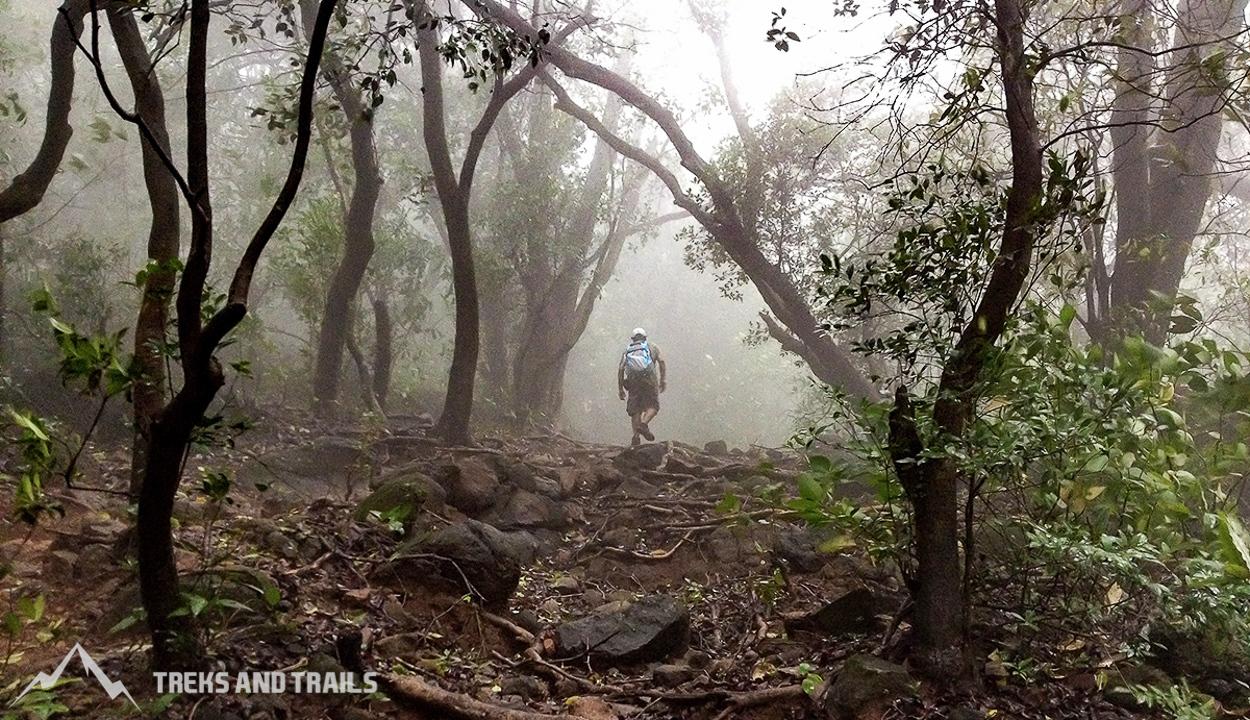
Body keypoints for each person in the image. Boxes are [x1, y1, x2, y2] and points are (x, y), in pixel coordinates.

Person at [617, 327, 667, 446]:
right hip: (649, 380)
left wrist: (620, 389)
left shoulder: (627, 350)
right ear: (645, 338)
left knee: (635, 410)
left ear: (633, 339)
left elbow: (620, 369)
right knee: (653, 406)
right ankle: (643, 425)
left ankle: (635, 438)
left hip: (633, 382)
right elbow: (662, 362)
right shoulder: (652, 347)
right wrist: (663, 380)